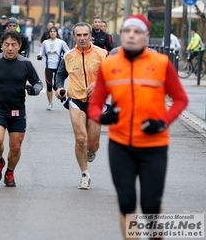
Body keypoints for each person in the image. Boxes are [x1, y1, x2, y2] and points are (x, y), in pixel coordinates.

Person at [87, 14, 188, 239]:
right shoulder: (109, 65)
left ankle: (155, 231)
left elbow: (180, 99)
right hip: (120, 144)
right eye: (127, 31)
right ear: (122, 35)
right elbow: (94, 106)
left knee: (150, 205)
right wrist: (103, 118)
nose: (131, 35)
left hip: (154, 145)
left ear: (146, 37)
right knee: (126, 202)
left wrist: (162, 122)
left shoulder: (161, 63)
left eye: (137, 31)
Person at [0, 30, 43, 187]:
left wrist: (34, 90)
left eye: (14, 45)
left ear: (19, 46)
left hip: (17, 111)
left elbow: (38, 83)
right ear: (1, 46)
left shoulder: (25, 64)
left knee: (15, 147)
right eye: (6, 45)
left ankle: (10, 171)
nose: (10, 48)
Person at [55, 22, 107, 190]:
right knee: (80, 138)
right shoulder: (68, 55)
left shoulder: (102, 54)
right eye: (79, 35)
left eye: (85, 35)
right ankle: (85, 175)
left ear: (90, 36)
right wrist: (60, 88)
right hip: (76, 100)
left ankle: (90, 151)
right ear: (74, 37)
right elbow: (60, 75)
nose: (82, 38)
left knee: (93, 145)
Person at [37, 26, 70, 111]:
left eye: (54, 32)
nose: (52, 33)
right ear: (49, 33)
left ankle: (62, 95)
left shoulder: (61, 42)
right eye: (51, 31)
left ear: (57, 33)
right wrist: (39, 56)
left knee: (56, 86)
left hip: (59, 67)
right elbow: (42, 52)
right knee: (48, 86)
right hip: (48, 67)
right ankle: (50, 103)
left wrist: (66, 57)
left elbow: (68, 52)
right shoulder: (45, 42)